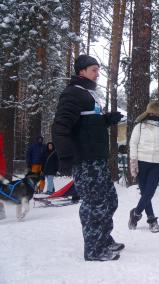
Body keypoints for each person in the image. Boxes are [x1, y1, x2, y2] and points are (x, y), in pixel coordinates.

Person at [52, 54, 124, 261]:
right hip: (85, 160)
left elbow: (86, 124)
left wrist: (106, 120)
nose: (97, 73)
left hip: (97, 159)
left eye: (98, 69)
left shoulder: (88, 94)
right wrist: (65, 157)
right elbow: (60, 127)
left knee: (109, 200)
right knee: (94, 204)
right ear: (81, 71)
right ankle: (94, 249)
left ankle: (103, 239)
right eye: (94, 69)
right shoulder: (72, 94)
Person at [128, 101, 159, 233]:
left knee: (150, 192)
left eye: (157, 113)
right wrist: (133, 161)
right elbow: (133, 143)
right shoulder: (139, 126)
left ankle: (135, 214)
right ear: (147, 112)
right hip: (141, 162)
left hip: (156, 164)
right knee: (145, 193)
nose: (154, 114)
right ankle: (152, 220)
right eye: (152, 112)